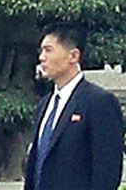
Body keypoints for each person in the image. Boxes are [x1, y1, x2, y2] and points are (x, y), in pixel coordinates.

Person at [24, 23, 124, 190]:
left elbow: (107, 171)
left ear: (73, 56)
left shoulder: (99, 102)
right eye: (41, 51)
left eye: (49, 50)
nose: (42, 57)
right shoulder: (44, 105)